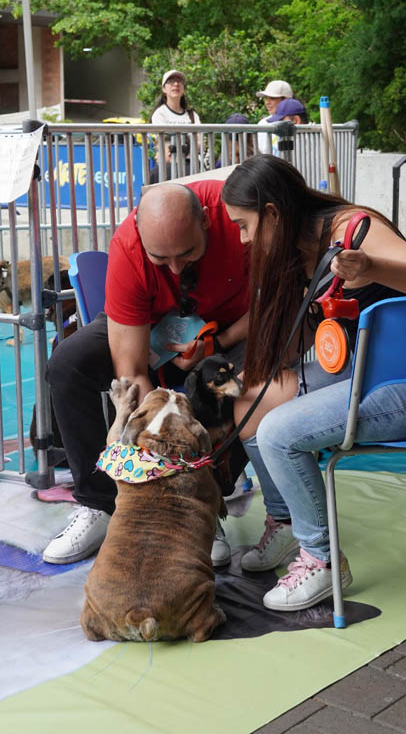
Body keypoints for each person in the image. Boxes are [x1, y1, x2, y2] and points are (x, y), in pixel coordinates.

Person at [223, 155, 406, 611]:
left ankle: (324, 560)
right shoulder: (298, 248)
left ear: (272, 212)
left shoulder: (356, 229)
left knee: (278, 431)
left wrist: (373, 267)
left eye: (245, 224)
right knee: (249, 405)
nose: (244, 238)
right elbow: (305, 336)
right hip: (364, 375)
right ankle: (287, 524)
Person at [42, 181, 251, 566]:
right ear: (139, 231)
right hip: (150, 329)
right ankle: (101, 503)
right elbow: (133, 371)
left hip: (231, 325)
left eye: (187, 253)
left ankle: (204, 501)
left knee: (232, 384)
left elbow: (273, 307)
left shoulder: (239, 215)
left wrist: (218, 343)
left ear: (206, 221)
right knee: (69, 362)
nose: (175, 267)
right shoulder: (129, 247)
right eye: (161, 258)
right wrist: (156, 441)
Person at [149, 70, 201, 178]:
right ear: (164, 88)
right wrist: (186, 141)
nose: (176, 84)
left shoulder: (192, 115)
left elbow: (199, 144)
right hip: (168, 168)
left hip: (191, 167)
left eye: (179, 81)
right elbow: (164, 143)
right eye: (171, 81)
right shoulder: (159, 114)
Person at [255, 80, 293, 158]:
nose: (267, 102)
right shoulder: (263, 123)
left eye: (272, 98)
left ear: (286, 100)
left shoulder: (297, 122)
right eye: (266, 98)